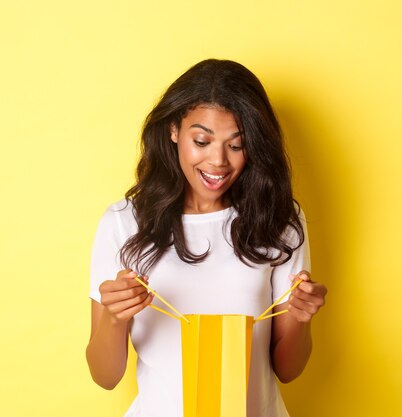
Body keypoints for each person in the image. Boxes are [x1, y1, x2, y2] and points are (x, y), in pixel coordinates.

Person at [86, 59, 327, 417]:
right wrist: (114, 316)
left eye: (237, 145)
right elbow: (104, 376)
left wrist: (302, 318)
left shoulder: (279, 221)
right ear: (173, 130)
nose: (218, 162)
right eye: (202, 140)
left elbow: (288, 370)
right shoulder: (124, 223)